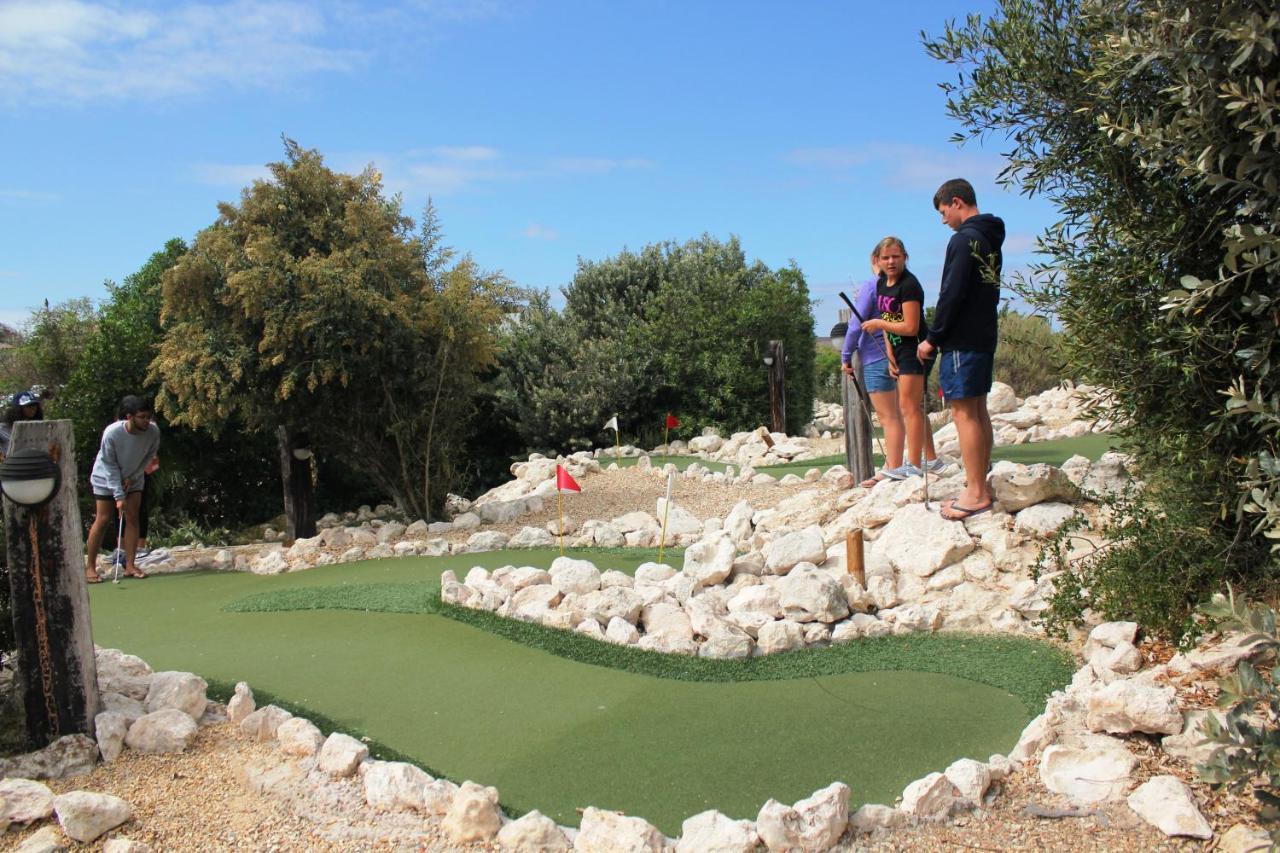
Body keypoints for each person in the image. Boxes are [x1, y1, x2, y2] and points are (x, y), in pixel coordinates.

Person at [917, 178, 1005, 521]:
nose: (943, 220)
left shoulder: (963, 239)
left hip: (962, 341)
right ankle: (977, 485)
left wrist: (932, 338)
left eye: (943, 212)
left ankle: (975, 492)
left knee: (964, 414)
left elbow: (951, 294)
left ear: (957, 202)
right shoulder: (990, 238)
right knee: (979, 411)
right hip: (983, 336)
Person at [859, 236, 943, 482]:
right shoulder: (883, 283)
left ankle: (914, 465)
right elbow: (890, 325)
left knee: (909, 407)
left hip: (916, 349)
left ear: (905, 257)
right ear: (878, 260)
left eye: (895, 256)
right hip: (898, 350)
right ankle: (928, 460)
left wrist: (878, 323)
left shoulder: (910, 285)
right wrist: (889, 353)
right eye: (886, 257)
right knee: (911, 406)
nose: (891, 261)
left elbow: (910, 325)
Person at [85, 395, 161, 582]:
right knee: (103, 519)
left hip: (133, 477)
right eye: (142, 417)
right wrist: (118, 496)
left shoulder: (153, 432)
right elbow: (109, 464)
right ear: (129, 417)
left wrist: (132, 476)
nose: (147, 421)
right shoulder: (112, 433)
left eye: (148, 417)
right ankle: (90, 567)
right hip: (105, 478)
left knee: (132, 517)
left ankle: (130, 566)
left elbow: (148, 456)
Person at [0, 389, 44, 456]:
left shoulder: (39, 427)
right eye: (28, 406)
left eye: (35, 405)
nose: (33, 408)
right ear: (18, 408)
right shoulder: (3, 429)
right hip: (11, 464)